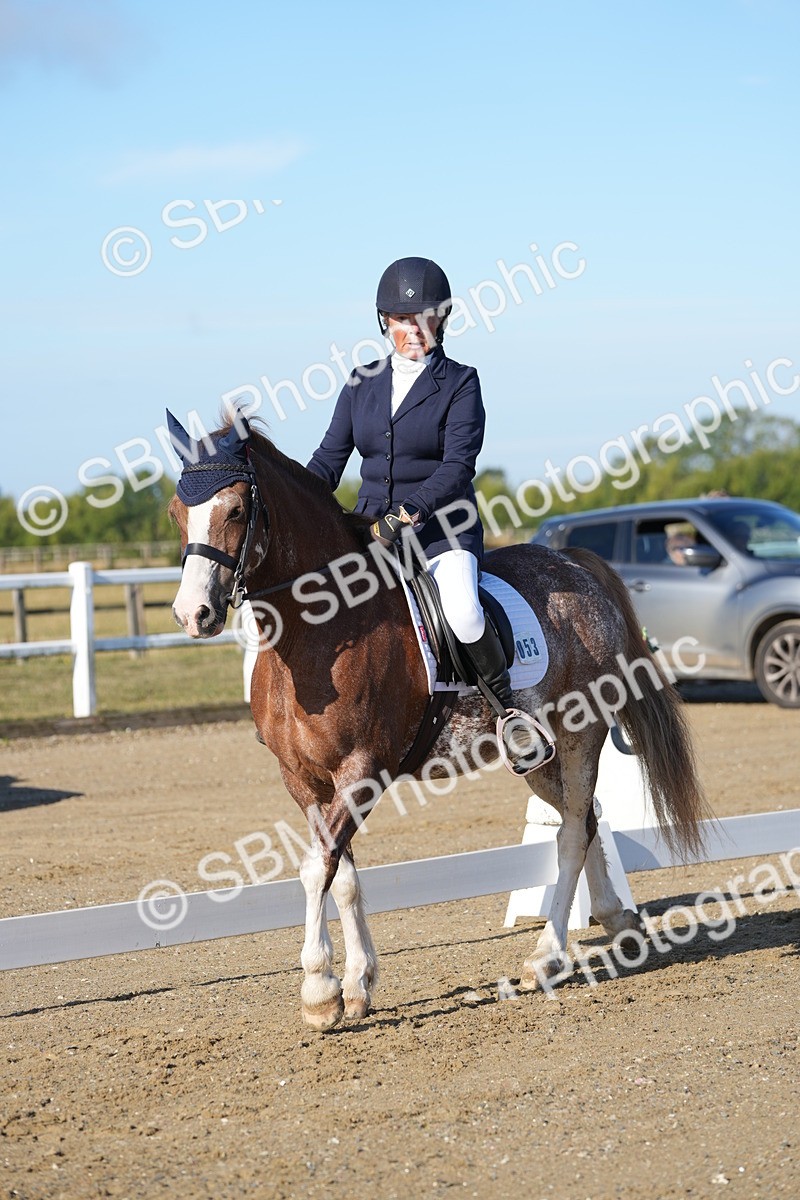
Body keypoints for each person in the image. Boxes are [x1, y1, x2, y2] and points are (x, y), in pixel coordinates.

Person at [306, 256, 544, 771]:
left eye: (427, 319)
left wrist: (411, 511)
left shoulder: (461, 382)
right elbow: (329, 458)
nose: (415, 330)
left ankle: (509, 714)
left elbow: (459, 465)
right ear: (383, 322)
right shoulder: (359, 383)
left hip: (442, 532)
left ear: (443, 320)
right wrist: (301, 495)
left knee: (461, 610)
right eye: (403, 321)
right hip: (370, 530)